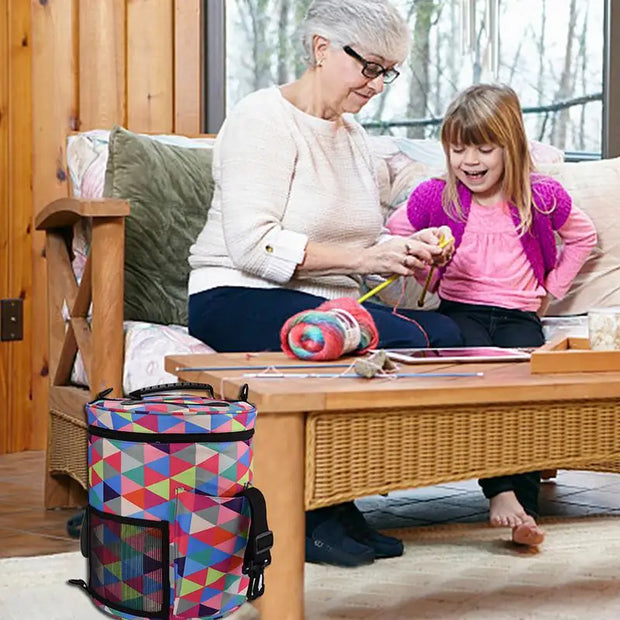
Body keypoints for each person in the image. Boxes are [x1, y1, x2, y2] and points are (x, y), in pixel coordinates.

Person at [187, 0, 463, 568]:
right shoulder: (261, 118)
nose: (379, 84)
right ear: (321, 49)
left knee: (447, 330)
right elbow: (254, 244)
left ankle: (339, 500)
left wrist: (409, 253)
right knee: (398, 341)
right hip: (236, 294)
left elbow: (360, 252)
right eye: (370, 67)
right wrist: (369, 254)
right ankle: (312, 512)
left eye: (390, 72)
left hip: (327, 301)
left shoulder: (356, 137)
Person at [386, 83, 598, 546]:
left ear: (511, 147)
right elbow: (394, 236)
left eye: (485, 148)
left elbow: (583, 238)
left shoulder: (541, 196)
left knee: (522, 396)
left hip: (520, 315)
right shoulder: (434, 197)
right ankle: (502, 492)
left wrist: (550, 292)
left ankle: (520, 507)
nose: (471, 161)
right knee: (479, 385)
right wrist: (423, 251)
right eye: (459, 149)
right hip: (460, 313)